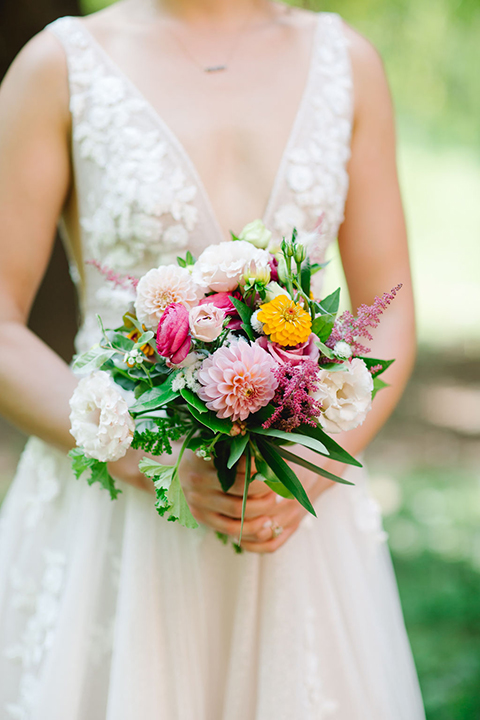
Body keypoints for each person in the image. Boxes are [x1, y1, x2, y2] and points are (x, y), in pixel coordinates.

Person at [0, 0, 425, 717]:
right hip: (115, 522)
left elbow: (391, 306)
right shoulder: (58, 65)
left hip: (292, 512)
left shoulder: (347, 62)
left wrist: (310, 472)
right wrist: (147, 461)